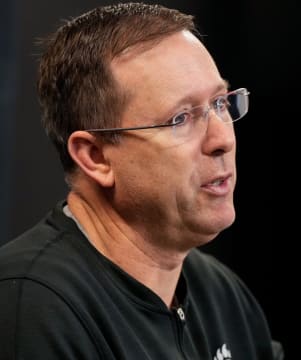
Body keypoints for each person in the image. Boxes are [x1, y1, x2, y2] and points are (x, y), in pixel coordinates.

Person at [0, 3, 284, 359]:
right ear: (96, 157)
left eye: (220, 104)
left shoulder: (221, 295)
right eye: (181, 118)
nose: (222, 139)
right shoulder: (33, 308)